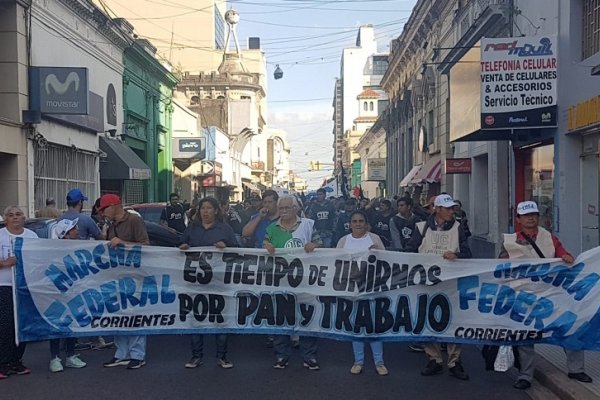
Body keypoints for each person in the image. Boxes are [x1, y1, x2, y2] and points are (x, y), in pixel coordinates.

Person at [500, 201, 592, 390]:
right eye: (526, 215)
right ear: (518, 219)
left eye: (533, 214)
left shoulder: (549, 237)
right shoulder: (509, 241)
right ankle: (526, 375)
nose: (531, 218)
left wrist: (566, 256)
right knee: (525, 337)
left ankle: (576, 369)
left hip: (552, 294)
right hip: (524, 296)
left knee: (571, 327)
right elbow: (500, 265)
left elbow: (563, 254)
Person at [405, 194, 471, 381]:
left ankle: (454, 361)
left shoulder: (458, 228)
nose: (452, 211)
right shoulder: (421, 227)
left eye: (452, 208)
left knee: (453, 320)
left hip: (451, 283)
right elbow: (410, 250)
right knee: (426, 319)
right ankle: (434, 359)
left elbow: (468, 252)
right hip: (426, 282)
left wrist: (457, 255)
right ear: (437, 209)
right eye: (448, 208)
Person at [264, 195, 322, 370]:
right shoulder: (272, 227)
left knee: (307, 317)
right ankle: (281, 355)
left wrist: (314, 246)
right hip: (281, 280)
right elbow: (265, 243)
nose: (283, 212)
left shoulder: (307, 225)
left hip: (304, 280)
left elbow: (321, 243)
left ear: (295, 209)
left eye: (286, 208)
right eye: (281, 209)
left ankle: (309, 355)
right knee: (281, 318)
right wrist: (266, 246)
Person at [180, 197, 237, 370]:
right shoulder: (192, 229)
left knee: (220, 319)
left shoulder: (225, 229)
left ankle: (222, 356)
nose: (205, 211)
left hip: (219, 282)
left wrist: (225, 245)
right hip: (195, 281)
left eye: (209, 208)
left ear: (216, 211)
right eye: (202, 208)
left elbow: (237, 250)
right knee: (196, 318)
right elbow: (181, 245)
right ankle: (196, 356)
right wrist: (182, 246)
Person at [99, 194, 150, 370]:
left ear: (113, 206)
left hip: (135, 275)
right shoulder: (112, 226)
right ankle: (122, 353)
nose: (103, 213)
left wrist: (122, 243)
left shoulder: (134, 221)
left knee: (135, 315)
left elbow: (146, 245)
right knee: (118, 314)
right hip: (117, 276)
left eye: (104, 209)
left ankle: (137, 355)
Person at [336, 210, 388, 376]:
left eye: (361, 221)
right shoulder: (343, 241)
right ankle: (358, 361)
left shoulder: (374, 239)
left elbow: (388, 261)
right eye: (355, 221)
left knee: (374, 326)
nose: (358, 224)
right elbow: (335, 263)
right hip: (352, 290)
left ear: (366, 223)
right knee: (356, 327)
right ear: (350, 224)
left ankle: (379, 362)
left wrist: (378, 252)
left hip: (372, 288)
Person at [0, 206, 38, 378]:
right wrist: (6, 263)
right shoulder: (1, 235)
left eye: (18, 214)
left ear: (24, 218)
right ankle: (3, 362)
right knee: (6, 325)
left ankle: (17, 360)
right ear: (5, 219)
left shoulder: (31, 236)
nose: (15, 217)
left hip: (25, 286)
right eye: (11, 215)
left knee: (22, 324)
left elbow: (40, 258)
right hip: (4, 285)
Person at [48, 218, 87, 373]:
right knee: (57, 323)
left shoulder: (81, 245)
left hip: (75, 291)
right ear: (66, 233)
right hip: (58, 291)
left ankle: (71, 355)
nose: (77, 229)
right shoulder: (53, 249)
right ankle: (55, 358)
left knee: (73, 323)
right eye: (74, 228)